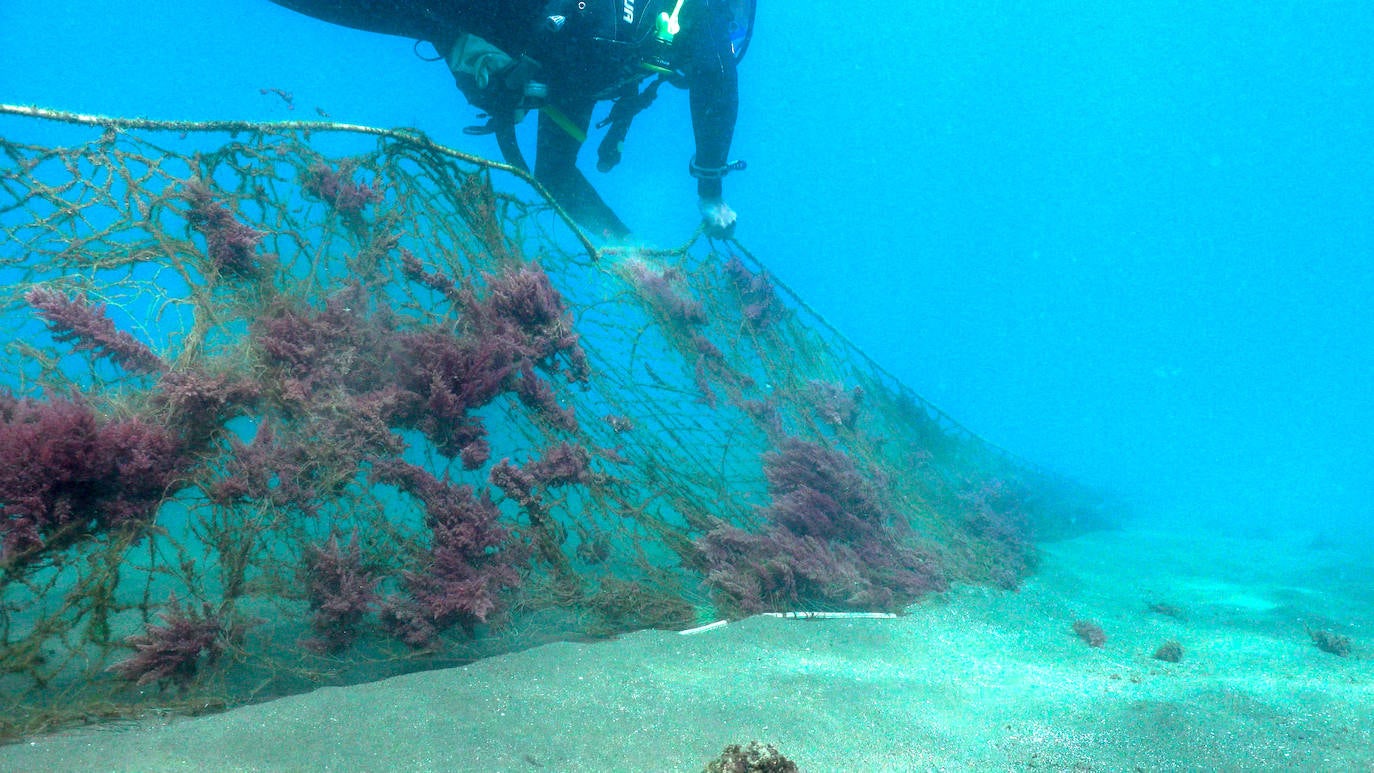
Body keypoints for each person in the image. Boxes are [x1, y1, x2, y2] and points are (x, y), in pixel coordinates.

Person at [270, 0, 748, 242]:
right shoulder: (702, 14)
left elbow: (555, 174)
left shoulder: (598, 68)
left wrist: (629, 254)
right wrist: (710, 191)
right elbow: (718, 77)